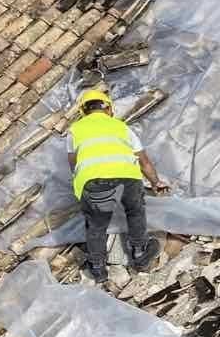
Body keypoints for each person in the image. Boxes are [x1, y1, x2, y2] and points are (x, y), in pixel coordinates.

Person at [67, 85, 167, 285]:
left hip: (94, 182)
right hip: (127, 177)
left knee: (96, 224)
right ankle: (140, 254)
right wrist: (156, 182)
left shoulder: (75, 130)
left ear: (82, 111)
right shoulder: (122, 128)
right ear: (109, 109)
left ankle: (98, 268)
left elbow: (74, 163)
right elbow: (144, 161)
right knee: (135, 212)